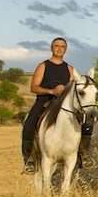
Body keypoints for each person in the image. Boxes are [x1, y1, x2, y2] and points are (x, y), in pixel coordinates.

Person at [22, 37, 77, 173]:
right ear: (52, 48)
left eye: (62, 46)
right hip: (44, 101)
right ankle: (29, 158)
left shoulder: (69, 68)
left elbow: (73, 89)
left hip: (63, 104)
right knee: (29, 124)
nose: (59, 48)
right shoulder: (43, 66)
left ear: (65, 49)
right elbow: (34, 87)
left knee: (82, 123)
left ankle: (83, 154)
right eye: (56, 46)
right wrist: (51, 91)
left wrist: (65, 90)